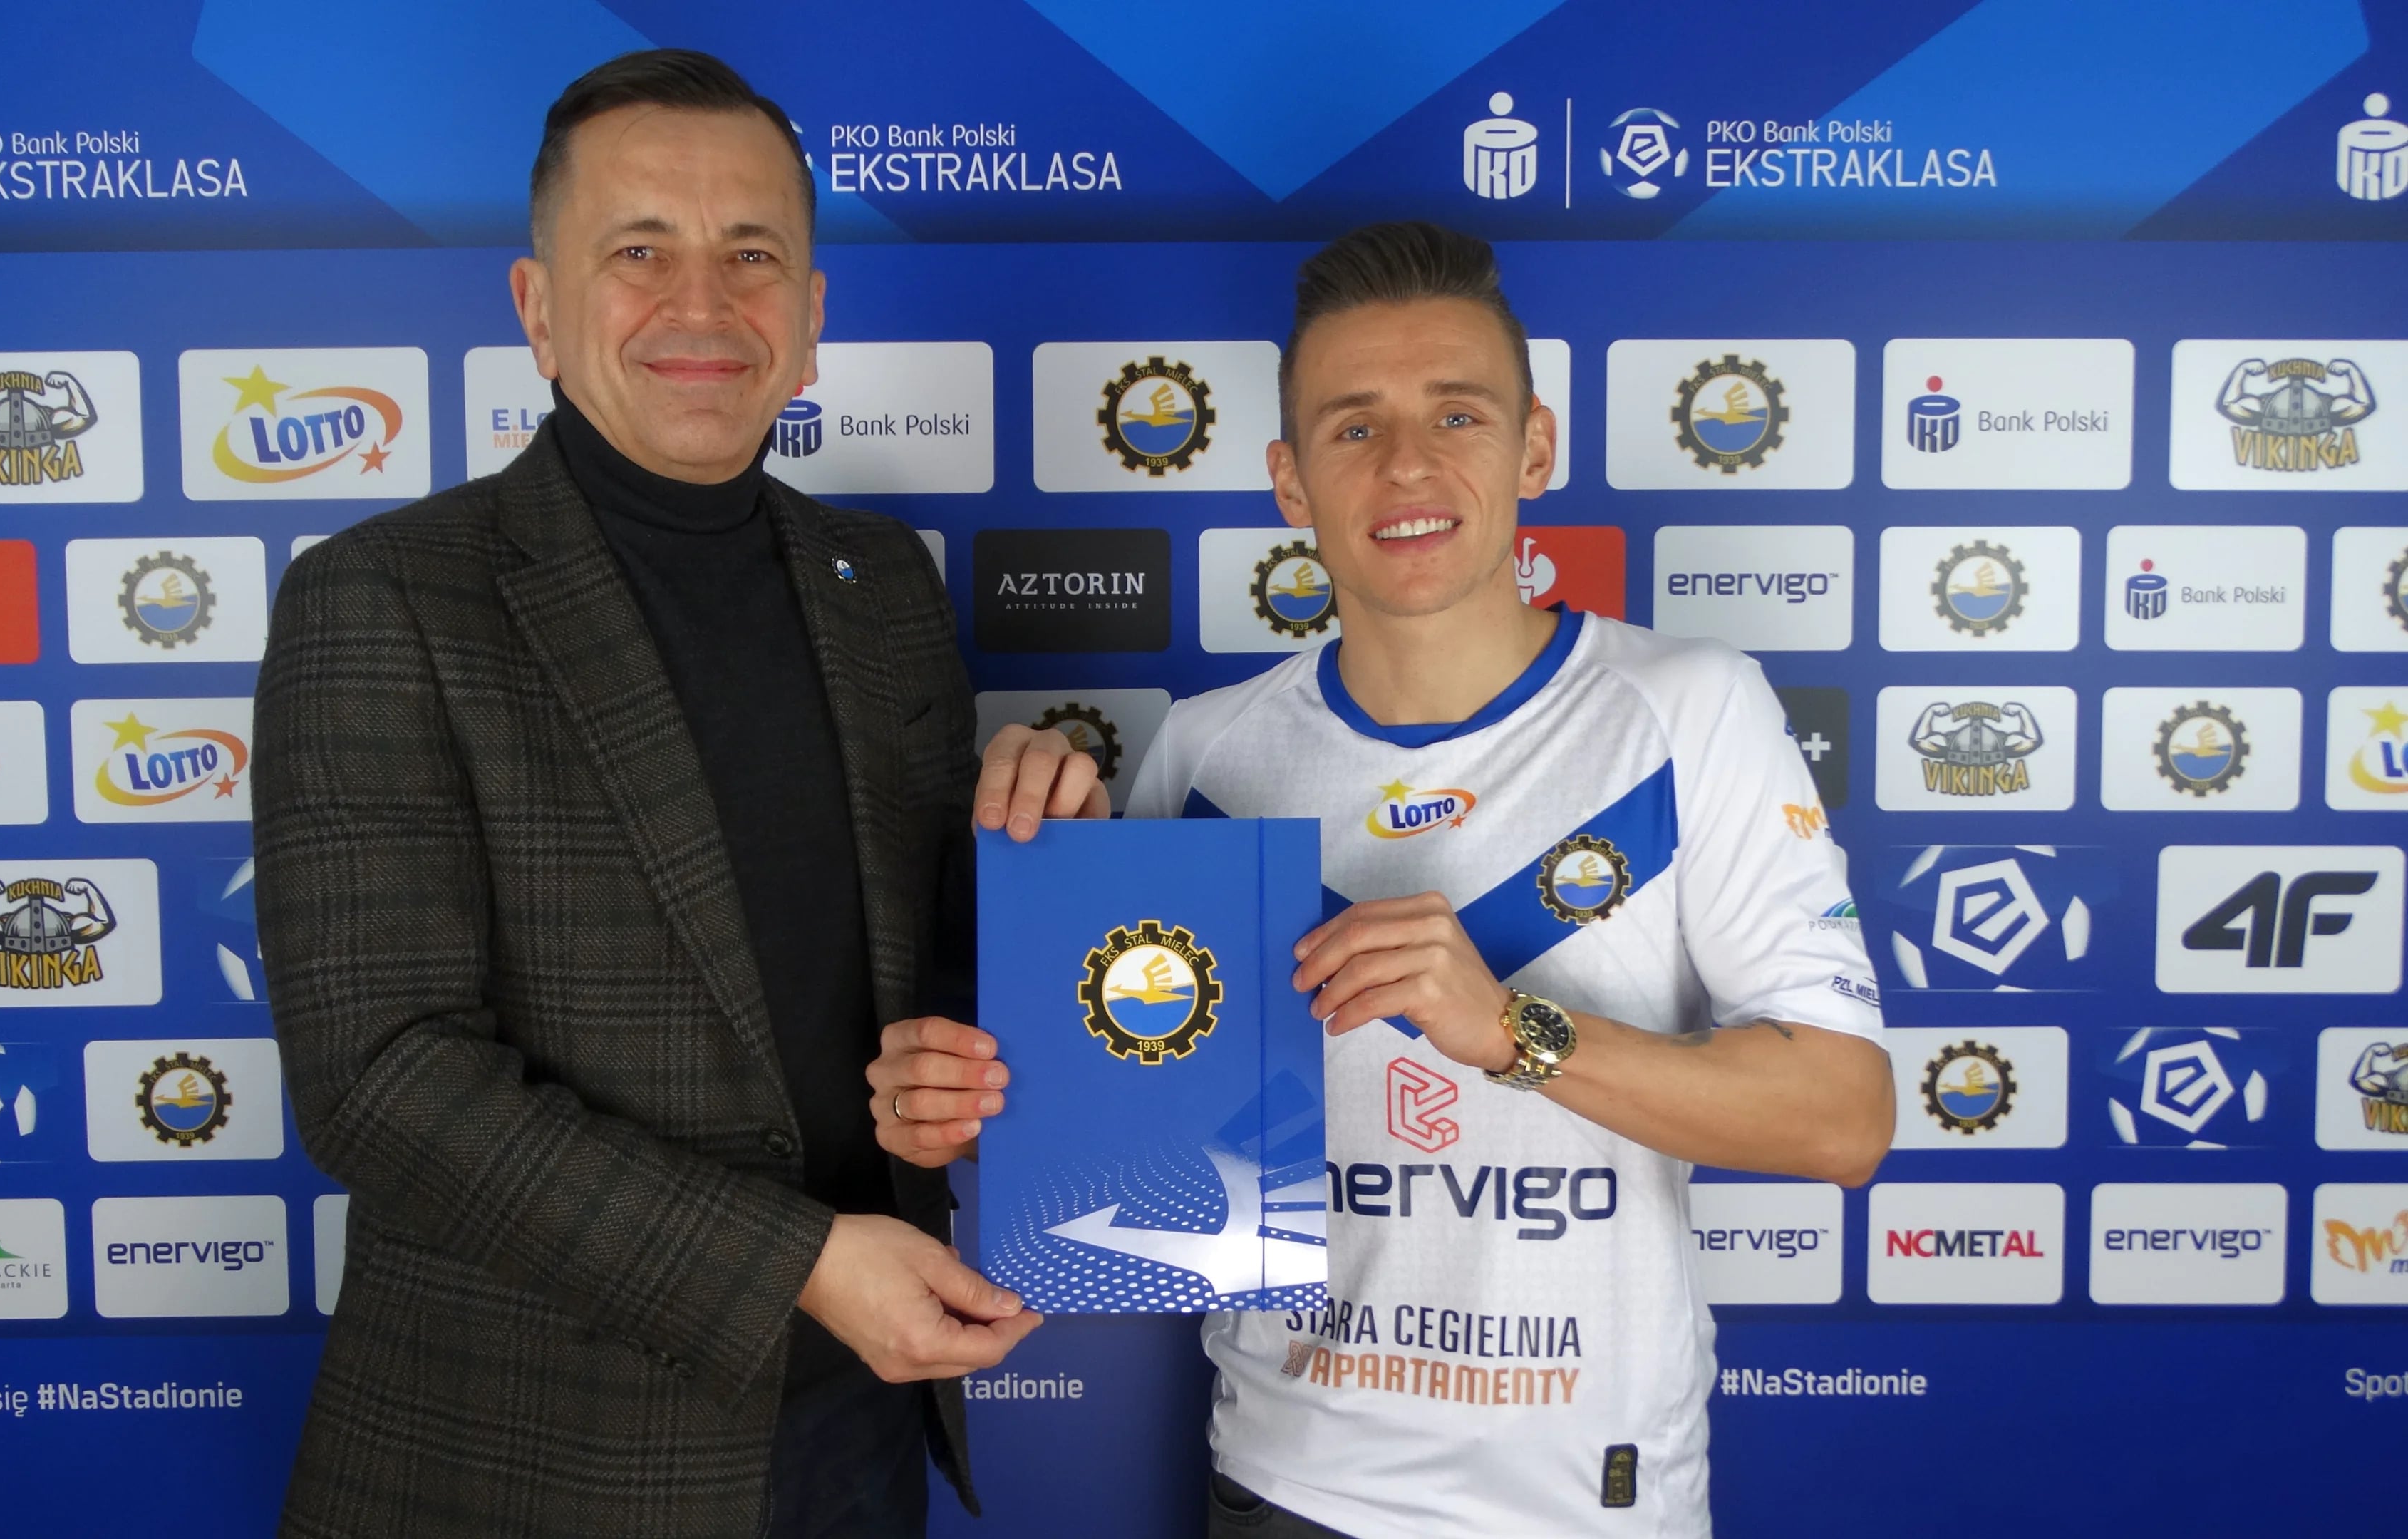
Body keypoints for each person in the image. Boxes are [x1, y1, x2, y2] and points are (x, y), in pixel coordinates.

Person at [867, 222, 1895, 1538]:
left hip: (1586, 1505)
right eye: (1353, 427)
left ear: (1534, 448)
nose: (1408, 463)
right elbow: (1136, 1141)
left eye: (1457, 414)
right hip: (1285, 1487)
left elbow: (1842, 1119)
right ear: (1290, 482)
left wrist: (1509, 1030)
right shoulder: (1207, 752)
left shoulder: (1686, 707)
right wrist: (968, 1116)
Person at [254, 48, 1103, 1539]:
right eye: (638, 251)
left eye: (750, 256)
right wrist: (795, 1265)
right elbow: (381, 1080)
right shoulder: (381, 599)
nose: (701, 305)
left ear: (811, 317)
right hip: (526, 1457)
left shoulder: (882, 586)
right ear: (538, 308)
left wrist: (1048, 885)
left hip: (856, 1422)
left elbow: (920, 990)